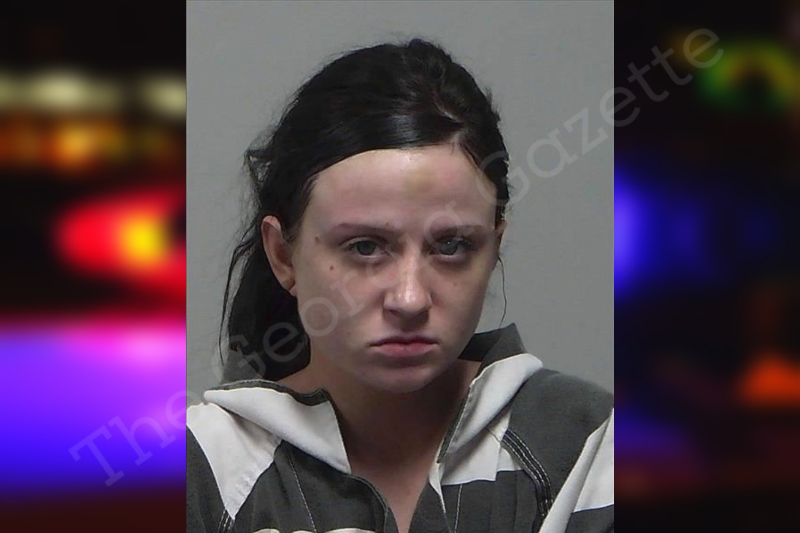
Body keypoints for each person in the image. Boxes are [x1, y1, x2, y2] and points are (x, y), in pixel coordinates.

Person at [186, 38, 613, 533]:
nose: (409, 299)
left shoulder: (589, 445)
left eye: (451, 246)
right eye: (365, 247)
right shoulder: (199, 467)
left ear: (493, 247)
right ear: (283, 254)